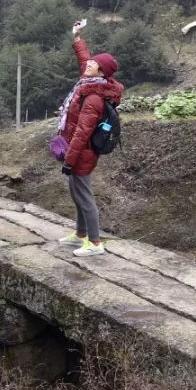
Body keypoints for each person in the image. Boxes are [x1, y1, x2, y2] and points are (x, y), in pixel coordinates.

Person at [57, 20, 124, 257]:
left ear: (102, 72)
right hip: (78, 152)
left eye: (94, 64)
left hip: (82, 153)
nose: (89, 64)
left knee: (84, 196)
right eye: (91, 62)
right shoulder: (90, 83)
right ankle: (80, 234)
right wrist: (77, 37)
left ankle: (95, 244)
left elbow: (82, 132)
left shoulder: (93, 97)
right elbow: (84, 58)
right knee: (77, 194)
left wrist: (69, 160)